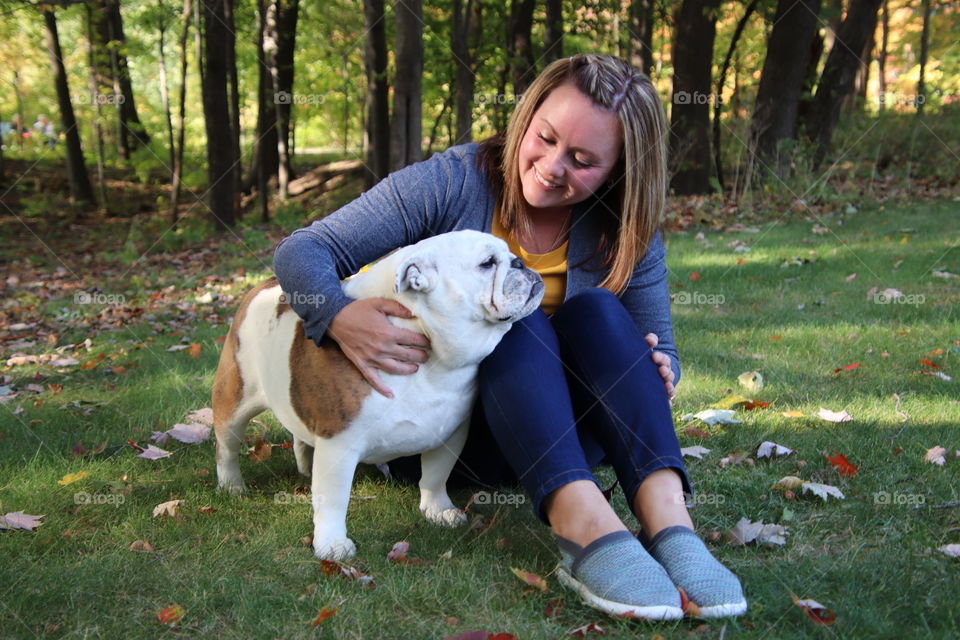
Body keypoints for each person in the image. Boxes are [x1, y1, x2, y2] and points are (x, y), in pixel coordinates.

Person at [273, 53, 745, 621]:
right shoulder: (452, 181)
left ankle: (671, 526)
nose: (551, 166)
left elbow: (659, 345)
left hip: (567, 434)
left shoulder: (625, 228)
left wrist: (659, 366)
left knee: (596, 311)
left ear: (619, 170)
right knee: (513, 326)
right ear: (526, 117)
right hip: (438, 435)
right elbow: (301, 251)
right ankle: (584, 525)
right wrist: (338, 316)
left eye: (583, 160)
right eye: (544, 137)